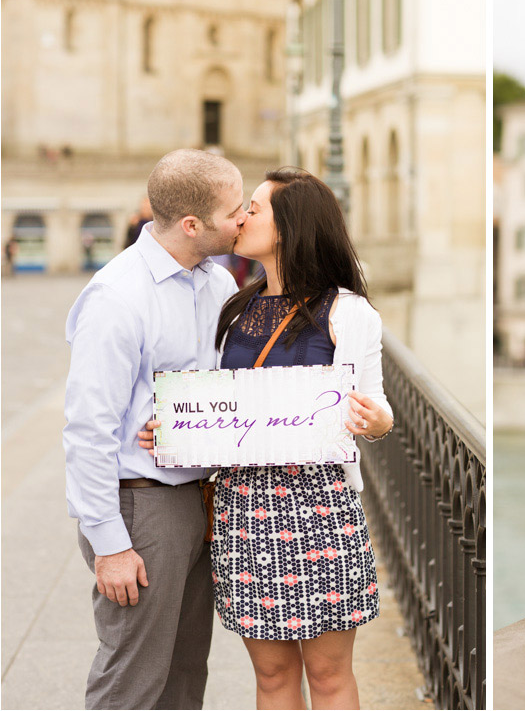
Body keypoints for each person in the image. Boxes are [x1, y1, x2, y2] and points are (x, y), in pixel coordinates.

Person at [141, 168, 393, 709]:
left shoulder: (347, 312)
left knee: (328, 675)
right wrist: (178, 427)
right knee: (273, 676)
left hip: (321, 506)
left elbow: (378, 405)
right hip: (244, 508)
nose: (241, 217)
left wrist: (375, 421)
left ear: (288, 227)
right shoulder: (234, 308)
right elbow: (215, 401)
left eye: (254, 208)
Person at [63, 148, 244, 709]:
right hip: (140, 509)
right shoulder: (117, 297)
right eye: (235, 210)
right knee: (132, 683)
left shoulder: (216, 284)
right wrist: (110, 544)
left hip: (198, 501)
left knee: (185, 677)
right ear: (193, 225)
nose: (244, 219)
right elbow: (88, 430)